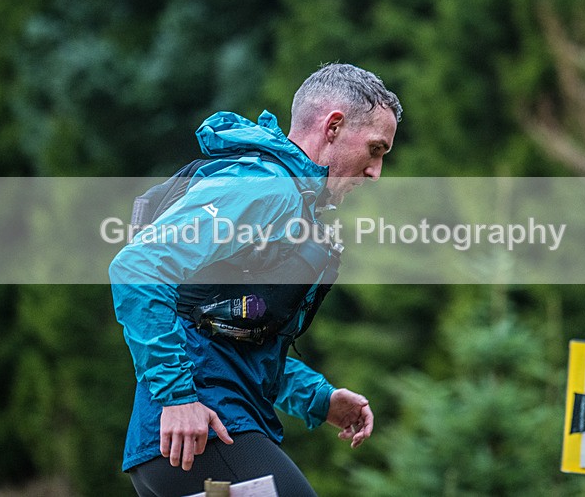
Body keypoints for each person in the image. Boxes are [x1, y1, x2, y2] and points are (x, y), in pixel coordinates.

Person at [109, 63, 402, 496]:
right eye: (375, 149)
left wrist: (319, 399)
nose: (375, 171)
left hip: (191, 441)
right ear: (334, 126)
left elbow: (233, 337)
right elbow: (137, 266)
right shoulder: (267, 187)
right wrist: (177, 397)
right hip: (205, 432)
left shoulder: (290, 203)